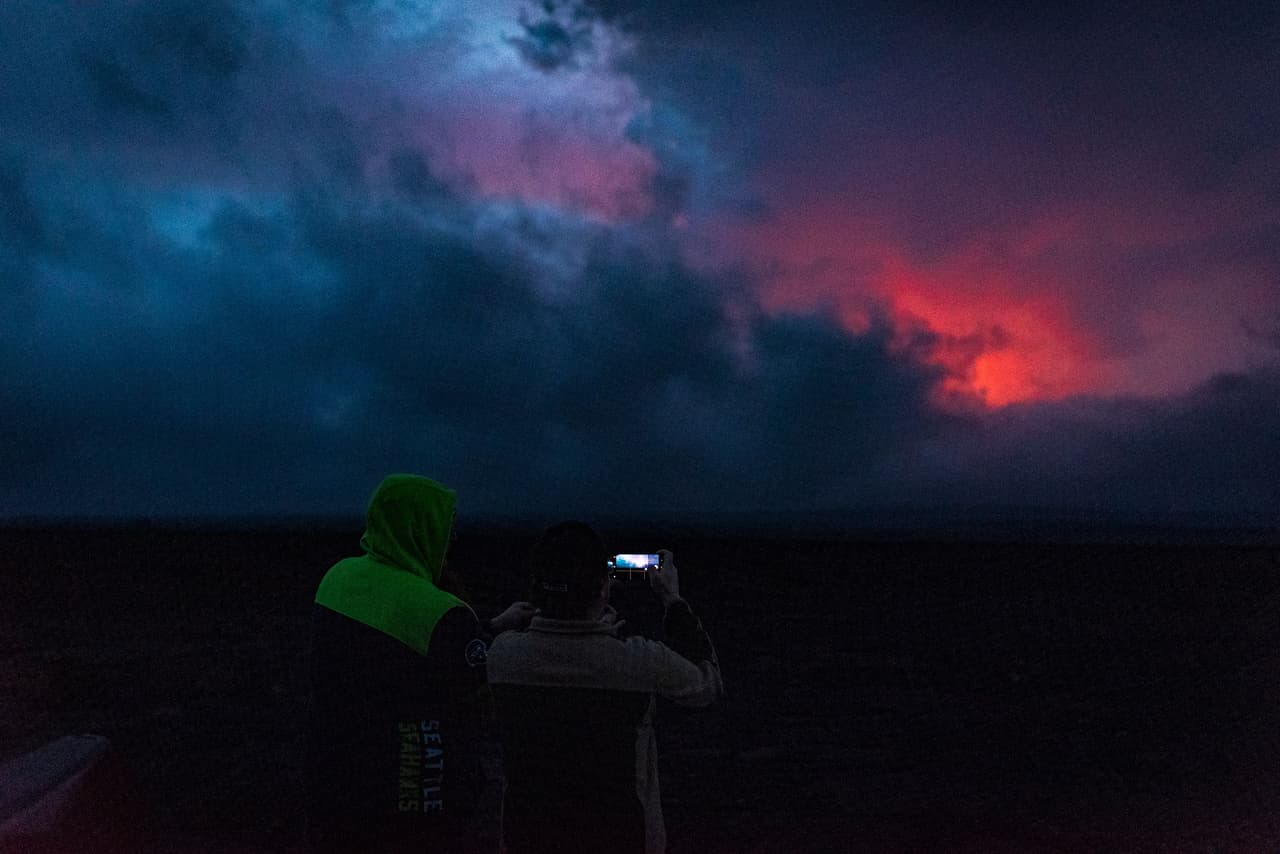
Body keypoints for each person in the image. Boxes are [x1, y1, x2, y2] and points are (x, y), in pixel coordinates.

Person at [306, 474, 535, 854]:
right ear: (421, 527)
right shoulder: (442, 613)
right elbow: (476, 684)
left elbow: (404, 651)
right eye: (446, 526)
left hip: (335, 783)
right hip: (410, 798)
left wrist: (491, 626)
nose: (452, 539)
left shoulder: (337, 578)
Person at [486, 521, 723, 854]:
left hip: (527, 839)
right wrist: (673, 600)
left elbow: (467, 658)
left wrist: (495, 625)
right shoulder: (639, 661)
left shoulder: (501, 656)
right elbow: (707, 684)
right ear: (603, 588)